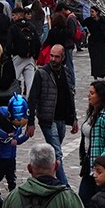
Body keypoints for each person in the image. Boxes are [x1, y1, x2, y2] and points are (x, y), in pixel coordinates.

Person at [25, 47, 77, 188]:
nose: (53, 59)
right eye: (51, 56)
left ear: (63, 57)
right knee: (58, 154)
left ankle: (50, 179)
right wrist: (31, 122)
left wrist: (74, 118)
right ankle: (64, 187)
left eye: (56, 57)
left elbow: (70, 96)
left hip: (62, 118)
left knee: (54, 153)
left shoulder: (66, 72)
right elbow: (33, 98)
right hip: (47, 119)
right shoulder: (42, 73)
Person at [78, 80, 105, 205]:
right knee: (84, 198)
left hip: (103, 168)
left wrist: (101, 166)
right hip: (91, 165)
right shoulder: (92, 113)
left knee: (101, 202)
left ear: (100, 96)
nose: (88, 96)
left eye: (92, 93)